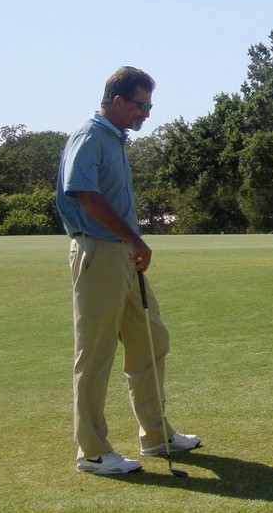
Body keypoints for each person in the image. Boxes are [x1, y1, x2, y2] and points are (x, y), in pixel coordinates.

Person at [56, 66, 199, 475]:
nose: (146, 114)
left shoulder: (115, 139)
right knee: (96, 354)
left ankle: (155, 436)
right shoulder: (91, 135)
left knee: (151, 339)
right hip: (98, 252)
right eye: (141, 105)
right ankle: (94, 452)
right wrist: (134, 238)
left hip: (122, 254)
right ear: (117, 101)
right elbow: (83, 193)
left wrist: (131, 243)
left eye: (149, 105)